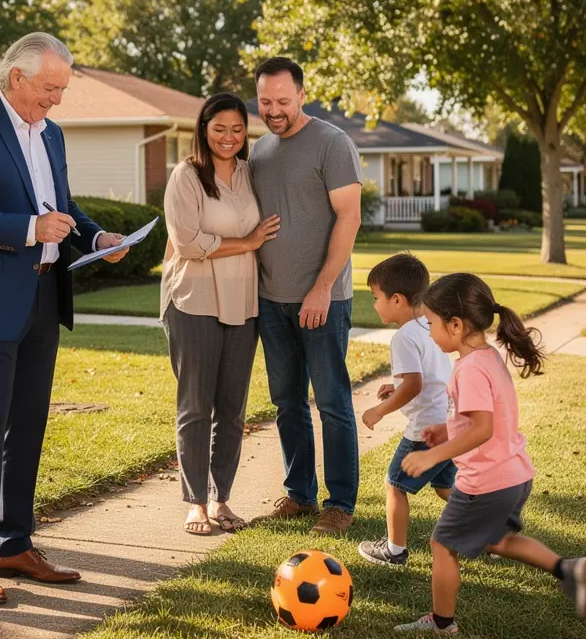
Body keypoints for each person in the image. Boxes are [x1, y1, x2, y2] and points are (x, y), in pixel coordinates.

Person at [0, 32, 129, 605]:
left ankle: (12, 543)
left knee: (28, 427)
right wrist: (28, 231)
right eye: (50, 88)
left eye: (62, 89)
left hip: (44, 297)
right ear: (15, 77)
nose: (57, 100)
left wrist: (96, 236)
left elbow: (60, 207)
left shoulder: (53, 134)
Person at [394, 273, 586, 634]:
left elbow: (482, 428)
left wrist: (434, 454)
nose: (428, 332)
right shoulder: (486, 358)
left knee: (441, 544)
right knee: (496, 540)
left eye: (431, 324)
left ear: (455, 325)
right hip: (514, 475)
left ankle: (442, 623)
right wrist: (446, 429)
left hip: (485, 482)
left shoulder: (468, 369)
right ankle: (568, 569)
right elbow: (482, 417)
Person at [249, 58, 363, 534]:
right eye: (265, 101)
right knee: (287, 402)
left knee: (333, 402)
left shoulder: (332, 143)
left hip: (323, 301)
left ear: (301, 94)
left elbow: (350, 217)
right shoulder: (258, 151)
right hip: (271, 301)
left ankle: (340, 503)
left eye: (282, 100)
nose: (274, 110)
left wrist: (321, 288)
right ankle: (300, 495)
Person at [162, 93, 280, 536]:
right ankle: (194, 503)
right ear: (203, 129)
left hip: (243, 303)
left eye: (236, 129)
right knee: (195, 406)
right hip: (193, 301)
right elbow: (188, 243)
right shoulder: (186, 175)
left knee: (231, 410)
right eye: (219, 129)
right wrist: (247, 243)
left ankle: (221, 499)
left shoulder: (252, 174)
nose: (228, 138)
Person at [357, 253, 455, 566]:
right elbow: (428, 377)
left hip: (424, 429)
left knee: (395, 485)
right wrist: (394, 387)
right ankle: (491, 527)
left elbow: (414, 385)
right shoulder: (431, 325)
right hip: (449, 422)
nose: (374, 304)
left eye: (375, 297)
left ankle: (394, 550)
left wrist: (380, 409)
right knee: (446, 487)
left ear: (397, 300)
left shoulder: (403, 337)